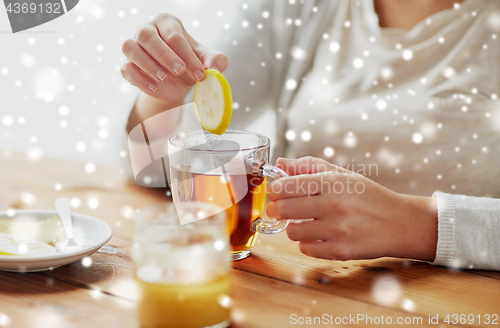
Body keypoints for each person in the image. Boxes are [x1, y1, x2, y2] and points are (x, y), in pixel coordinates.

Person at [121, 0, 500, 270]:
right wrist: (165, 98)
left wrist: (413, 224)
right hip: (301, 288)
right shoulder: (297, 7)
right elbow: (146, 169)